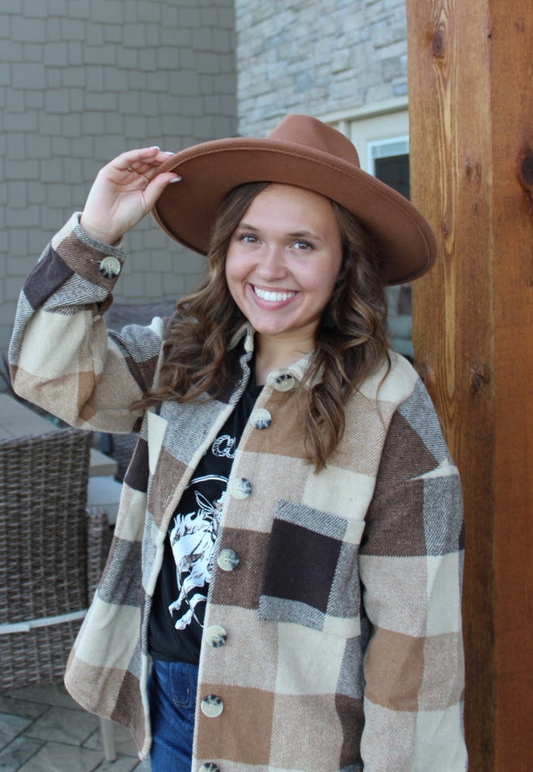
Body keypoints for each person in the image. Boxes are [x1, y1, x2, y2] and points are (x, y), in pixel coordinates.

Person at [9, 115, 467, 771]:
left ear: (344, 264)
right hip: (167, 698)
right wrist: (97, 234)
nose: (269, 267)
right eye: (250, 237)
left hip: (291, 738)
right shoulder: (185, 355)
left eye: (303, 244)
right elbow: (45, 378)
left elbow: (411, 639)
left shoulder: (387, 406)